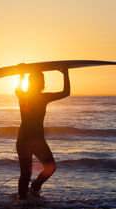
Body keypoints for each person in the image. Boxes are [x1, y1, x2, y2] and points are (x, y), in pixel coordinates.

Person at [15, 69, 70, 199]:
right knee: (49, 167)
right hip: (35, 140)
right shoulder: (42, 97)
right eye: (42, 80)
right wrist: (65, 72)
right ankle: (32, 190)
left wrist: (21, 74)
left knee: (26, 174)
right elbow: (66, 92)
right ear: (40, 83)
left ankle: (24, 200)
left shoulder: (22, 94)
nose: (43, 82)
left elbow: (17, 88)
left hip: (24, 139)